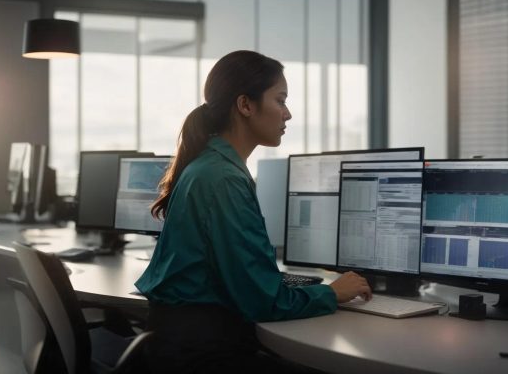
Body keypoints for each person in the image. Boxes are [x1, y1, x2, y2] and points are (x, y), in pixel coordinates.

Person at [135, 50, 372, 373]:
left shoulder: (212, 166)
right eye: (280, 100)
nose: (287, 114)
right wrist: (331, 293)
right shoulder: (222, 178)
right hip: (202, 354)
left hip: (182, 342)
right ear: (245, 105)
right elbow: (261, 301)